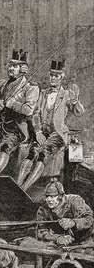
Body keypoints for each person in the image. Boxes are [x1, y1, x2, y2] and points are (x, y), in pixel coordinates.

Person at [16, 60, 85, 190]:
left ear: (62, 76)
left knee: (42, 155)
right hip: (42, 132)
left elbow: (79, 112)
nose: (53, 78)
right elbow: (35, 114)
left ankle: (24, 188)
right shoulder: (43, 94)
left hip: (57, 134)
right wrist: (37, 132)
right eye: (51, 75)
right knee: (32, 154)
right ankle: (18, 186)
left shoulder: (66, 95)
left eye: (56, 76)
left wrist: (75, 101)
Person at [0, 49, 40, 178]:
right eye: (10, 66)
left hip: (15, 127)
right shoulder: (2, 83)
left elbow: (29, 110)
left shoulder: (31, 87)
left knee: (5, 146)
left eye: (15, 66)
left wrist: (14, 105)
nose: (11, 69)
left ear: (22, 69)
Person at [36, 179, 94, 247]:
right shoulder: (43, 210)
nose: (48, 200)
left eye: (52, 196)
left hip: (85, 241)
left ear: (60, 196)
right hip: (64, 243)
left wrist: (74, 222)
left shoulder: (75, 201)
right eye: (47, 196)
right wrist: (57, 239)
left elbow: (90, 219)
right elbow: (41, 232)